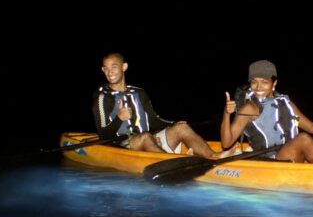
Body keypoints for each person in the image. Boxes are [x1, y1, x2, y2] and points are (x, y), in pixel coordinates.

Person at [220, 60, 313, 164]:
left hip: (296, 154)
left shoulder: (285, 103)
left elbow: (312, 127)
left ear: (274, 83)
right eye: (254, 82)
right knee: (303, 139)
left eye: (264, 82)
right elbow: (227, 143)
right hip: (274, 160)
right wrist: (227, 114)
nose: (258, 88)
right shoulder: (250, 108)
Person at [92, 52, 232, 158]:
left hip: (149, 140)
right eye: (106, 68)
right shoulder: (102, 98)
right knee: (146, 136)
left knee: (181, 127)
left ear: (124, 67)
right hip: (122, 146)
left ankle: (214, 157)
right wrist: (119, 119)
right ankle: (173, 161)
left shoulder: (139, 93)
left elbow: (154, 120)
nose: (110, 72)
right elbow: (103, 135)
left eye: (114, 67)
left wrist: (174, 123)